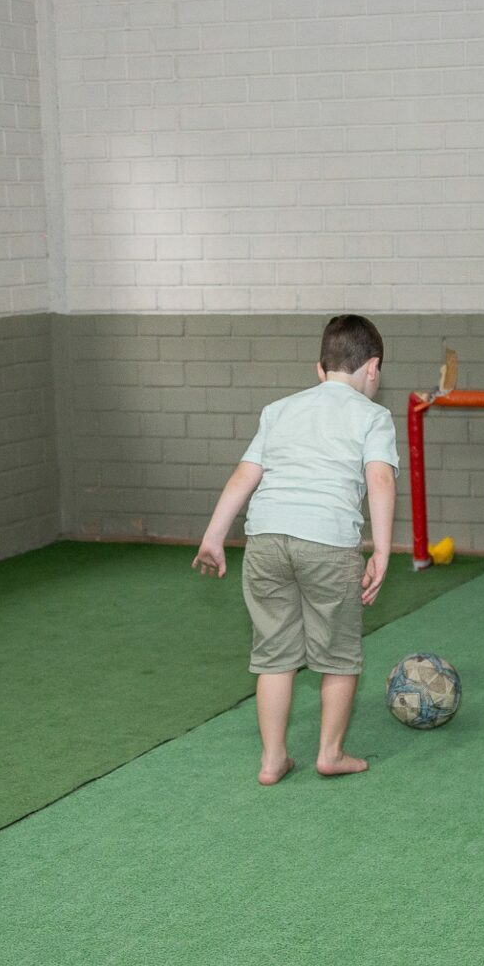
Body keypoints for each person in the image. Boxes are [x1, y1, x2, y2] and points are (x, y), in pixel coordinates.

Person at [192, 315, 399, 783]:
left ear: (320, 369)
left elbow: (245, 474)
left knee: (274, 656)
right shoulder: (373, 416)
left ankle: (272, 759)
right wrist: (382, 551)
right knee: (339, 654)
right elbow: (380, 480)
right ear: (373, 368)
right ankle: (330, 753)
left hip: (265, 539)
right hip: (328, 542)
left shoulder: (279, 410)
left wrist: (213, 536)